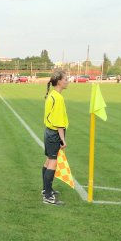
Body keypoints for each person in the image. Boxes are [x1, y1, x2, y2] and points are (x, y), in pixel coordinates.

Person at [42, 70, 69, 205]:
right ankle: (48, 196)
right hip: (54, 134)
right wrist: (63, 139)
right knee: (53, 162)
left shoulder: (52, 94)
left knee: (48, 160)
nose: (67, 81)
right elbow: (59, 122)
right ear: (59, 81)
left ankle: (46, 189)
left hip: (48, 132)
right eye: (65, 79)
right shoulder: (58, 98)